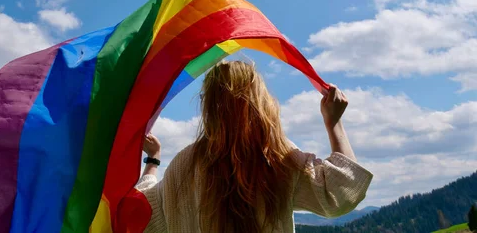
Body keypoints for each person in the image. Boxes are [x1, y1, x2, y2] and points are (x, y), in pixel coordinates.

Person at [135, 60, 373, 233]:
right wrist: (334, 123)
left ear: (208, 106)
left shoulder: (185, 164)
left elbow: (141, 213)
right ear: (260, 102)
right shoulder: (278, 157)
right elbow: (342, 191)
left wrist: (153, 161)